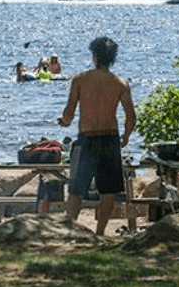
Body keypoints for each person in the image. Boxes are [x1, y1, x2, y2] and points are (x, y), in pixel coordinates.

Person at [57, 36, 136, 236]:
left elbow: (69, 113)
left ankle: (70, 232)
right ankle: (99, 234)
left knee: (76, 190)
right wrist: (126, 136)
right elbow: (131, 117)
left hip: (87, 139)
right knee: (108, 192)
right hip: (110, 139)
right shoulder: (120, 83)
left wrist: (64, 122)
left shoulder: (80, 79)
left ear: (94, 57)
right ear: (112, 59)